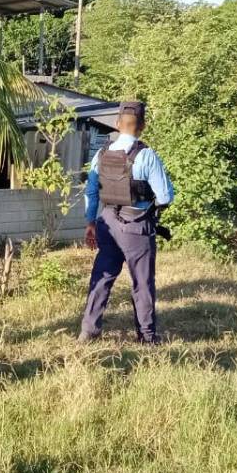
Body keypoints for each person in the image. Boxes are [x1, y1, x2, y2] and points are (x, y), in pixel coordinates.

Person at [79, 101, 175, 344]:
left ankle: (88, 332)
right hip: (137, 225)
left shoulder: (101, 154)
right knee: (142, 282)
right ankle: (146, 336)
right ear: (142, 126)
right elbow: (165, 196)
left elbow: (91, 191)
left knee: (102, 277)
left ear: (117, 124)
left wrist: (90, 222)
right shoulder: (146, 155)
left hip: (107, 222)